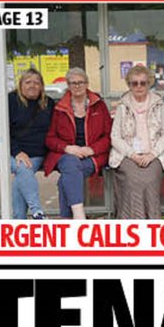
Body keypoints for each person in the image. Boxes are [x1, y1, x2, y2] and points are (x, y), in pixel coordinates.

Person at [43, 67, 111, 218]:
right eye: (73, 83)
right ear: (68, 85)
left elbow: (109, 136)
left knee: (65, 180)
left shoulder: (98, 105)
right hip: (67, 155)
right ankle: (79, 215)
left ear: (87, 84)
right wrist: (67, 148)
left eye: (81, 82)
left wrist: (91, 149)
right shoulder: (60, 108)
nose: (77, 86)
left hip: (94, 155)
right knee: (70, 163)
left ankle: (69, 220)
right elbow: (50, 138)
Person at [108, 64, 164, 218]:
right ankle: (131, 223)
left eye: (143, 82)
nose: (139, 86)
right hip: (128, 155)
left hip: (154, 154)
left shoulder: (158, 103)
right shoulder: (123, 105)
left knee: (149, 180)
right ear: (129, 85)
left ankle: (151, 222)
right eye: (134, 83)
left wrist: (152, 154)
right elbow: (115, 136)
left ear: (149, 83)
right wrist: (132, 155)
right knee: (132, 180)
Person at [7, 68, 55, 219]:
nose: (32, 85)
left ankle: (19, 222)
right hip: (12, 152)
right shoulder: (11, 100)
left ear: (42, 86)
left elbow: (53, 131)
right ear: (20, 85)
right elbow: (3, 130)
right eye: (28, 82)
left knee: (21, 176)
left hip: (37, 153)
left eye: (36, 82)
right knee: (23, 167)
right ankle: (37, 211)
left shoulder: (49, 103)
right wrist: (17, 152)